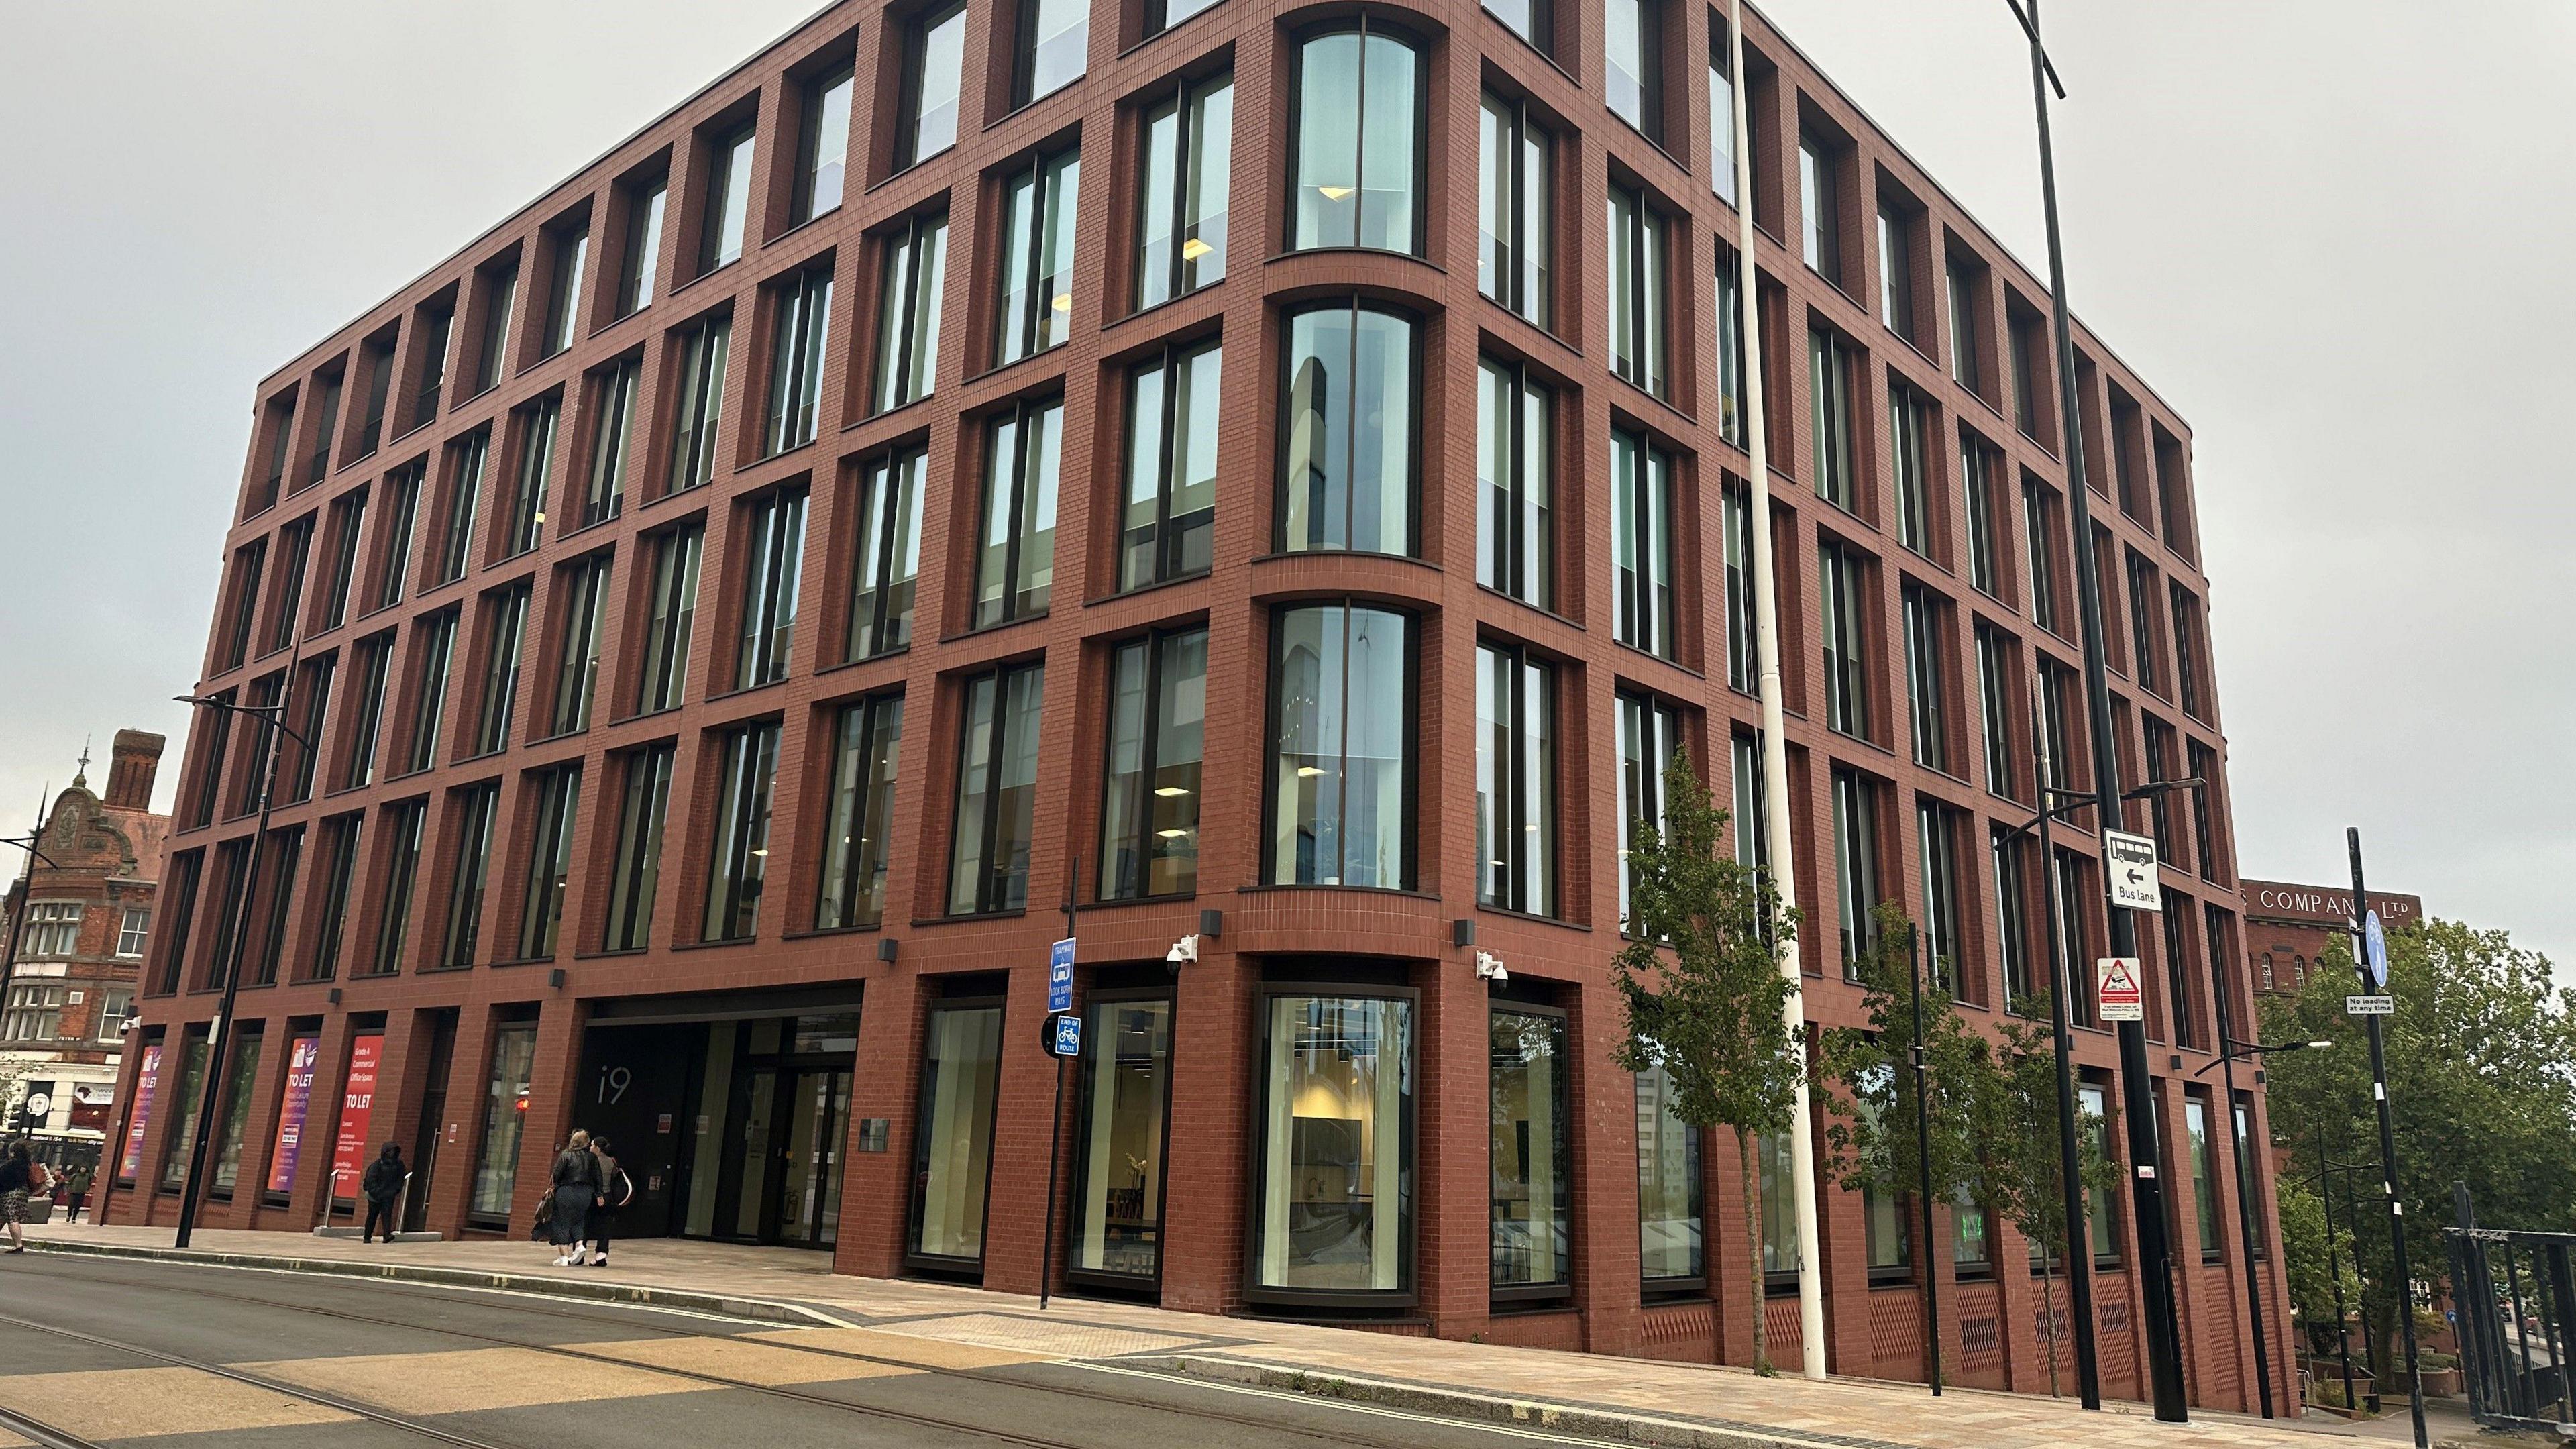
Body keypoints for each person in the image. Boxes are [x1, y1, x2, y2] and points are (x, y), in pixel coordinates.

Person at [547, 1129, 597, 1267]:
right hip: (586, 1193)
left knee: (562, 1222)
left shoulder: (566, 1155)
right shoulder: (592, 1158)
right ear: (586, 1143)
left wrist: (553, 1186)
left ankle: (564, 1257)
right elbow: (597, 1177)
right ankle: (580, 1245)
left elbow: (556, 1173)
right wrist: (599, 1195)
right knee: (579, 1220)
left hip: (567, 1191)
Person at [586, 1136, 633, 1268]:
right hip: (609, 1197)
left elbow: (592, 1180)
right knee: (604, 1225)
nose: (590, 1147)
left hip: (596, 1196)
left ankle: (579, 1251)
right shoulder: (612, 1161)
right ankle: (601, 1254)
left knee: (585, 1222)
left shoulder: (593, 1162)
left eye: (592, 1146)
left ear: (598, 1149)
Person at [359, 1143, 407, 1244]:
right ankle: (367, 1237)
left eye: (393, 1151)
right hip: (375, 1195)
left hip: (389, 1194)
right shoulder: (377, 1164)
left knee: (387, 1215)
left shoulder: (398, 1164)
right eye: (390, 1151)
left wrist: (395, 1190)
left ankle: (387, 1235)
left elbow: (400, 1179)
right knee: (372, 1215)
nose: (392, 1153)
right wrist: (376, 1191)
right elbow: (371, 1179)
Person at [0, 1140, 38, 1254]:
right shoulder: (25, 1163)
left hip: (11, 1193)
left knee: (12, 1217)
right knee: (3, 1216)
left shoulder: (13, 1163)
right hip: (21, 1192)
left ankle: (18, 1245)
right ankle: (18, 1245)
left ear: (14, 1152)